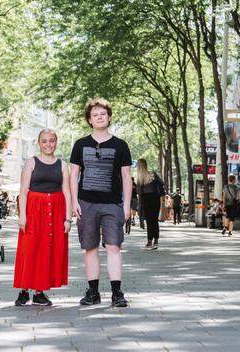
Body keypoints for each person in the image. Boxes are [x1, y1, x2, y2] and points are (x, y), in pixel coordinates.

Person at [70, 98, 132, 308]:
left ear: (109, 117)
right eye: (95, 115)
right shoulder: (80, 144)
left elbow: (126, 177)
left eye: (103, 114)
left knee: (114, 247)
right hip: (86, 204)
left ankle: (117, 293)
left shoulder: (120, 145)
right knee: (90, 248)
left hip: (112, 204)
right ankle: (93, 291)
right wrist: (73, 202)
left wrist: (126, 206)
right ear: (89, 119)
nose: (99, 118)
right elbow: (73, 175)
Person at [13, 129, 71, 306]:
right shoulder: (31, 163)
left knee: (47, 250)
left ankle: (39, 292)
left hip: (55, 211)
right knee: (29, 249)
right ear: (39, 143)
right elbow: (23, 191)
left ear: (56, 142)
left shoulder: (62, 165)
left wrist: (68, 218)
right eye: (44, 141)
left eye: (51, 141)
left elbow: (67, 191)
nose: (48, 144)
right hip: (33, 210)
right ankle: (24, 290)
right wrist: (22, 215)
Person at [136, 159, 163, 250]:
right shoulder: (152, 174)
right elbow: (161, 184)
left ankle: (149, 242)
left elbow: (139, 192)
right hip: (156, 199)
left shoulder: (140, 178)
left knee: (149, 221)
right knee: (154, 220)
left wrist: (139, 206)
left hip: (146, 200)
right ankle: (156, 241)